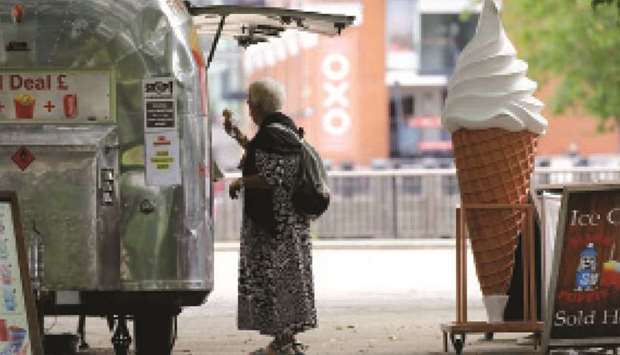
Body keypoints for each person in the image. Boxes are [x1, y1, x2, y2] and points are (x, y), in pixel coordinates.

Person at [226, 78, 316, 355]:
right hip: (289, 224)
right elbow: (263, 156)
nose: (248, 107)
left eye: (249, 102)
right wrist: (237, 135)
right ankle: (284, 342)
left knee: (276, 282)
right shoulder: (282, 129)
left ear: (258, 106)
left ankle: (283, 344)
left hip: (275, 226)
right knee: (285, 282)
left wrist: (240, 183)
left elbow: (272, 175)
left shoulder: (271, 135)